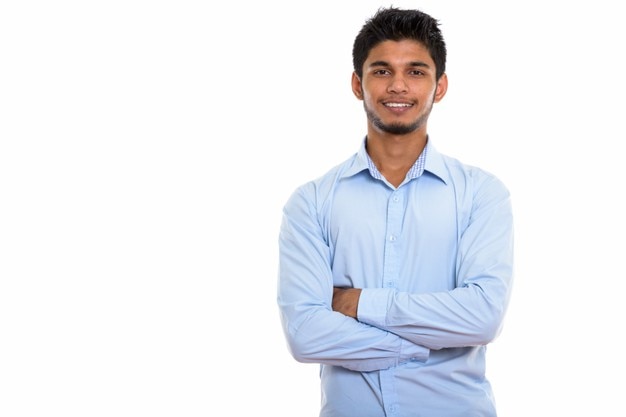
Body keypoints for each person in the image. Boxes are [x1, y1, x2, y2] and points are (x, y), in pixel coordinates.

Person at [277, 6, 514, 417]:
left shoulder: (481, 194)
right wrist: (423, 343)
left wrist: (359, 303)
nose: (398, 86)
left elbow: (482, 317)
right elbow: (306, 334)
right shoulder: (312, 201)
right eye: (382, 71)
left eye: (416, 71)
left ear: (439, 87)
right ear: (357, 83)